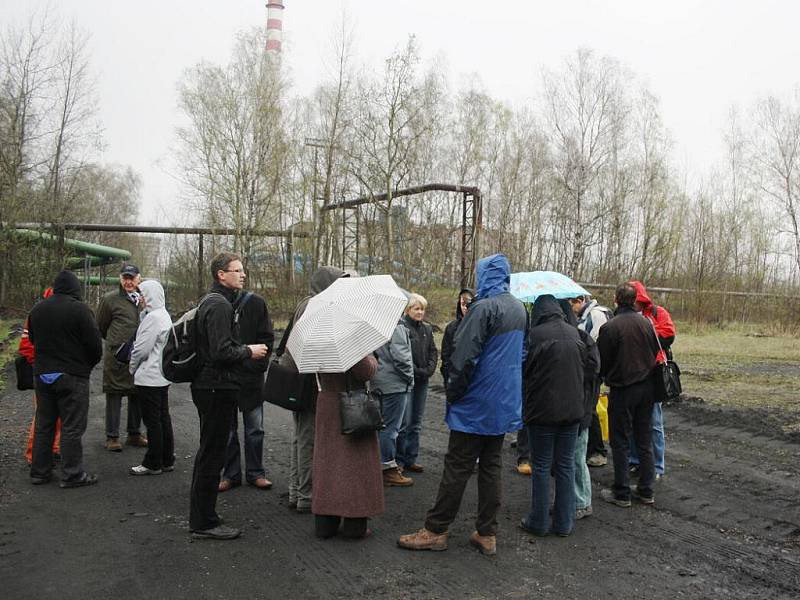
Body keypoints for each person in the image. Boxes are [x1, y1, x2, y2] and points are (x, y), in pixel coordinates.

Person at [398, 254, 527, 556]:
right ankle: (487, 532)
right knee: (491, 467)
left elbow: (463, 358)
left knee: (457, 467)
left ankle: (435, 529)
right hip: (502, 402)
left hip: (476, 402)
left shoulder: (483, 308)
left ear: (485, 276)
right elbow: (522, 354)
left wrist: (454, 392)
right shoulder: (519, 308)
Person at [188, 253, 269, 540]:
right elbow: (221, 351)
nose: (242, 274)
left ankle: (204, 517)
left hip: (209, 385)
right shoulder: (219, 305)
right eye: (236, 270)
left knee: (209, 452)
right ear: (221, 275)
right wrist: (249, 350)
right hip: (216, 386)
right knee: (212, 454)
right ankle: (204, 522)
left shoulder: (210, 301)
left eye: (242, 270)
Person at [280, 266, 350, 513]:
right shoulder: (316, 307)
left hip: (300, 382)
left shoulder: (306, 303)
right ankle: (306, 496)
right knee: (309, 440)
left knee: (301, 438)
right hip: (310, 383)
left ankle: (296, 491)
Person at [519, 295, 587, 537]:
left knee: (541, 466)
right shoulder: (575, 333)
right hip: (572, 412)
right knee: (566, 465)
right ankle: (564, 522)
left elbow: (523, 369)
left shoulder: (534, 336)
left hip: (542, 412)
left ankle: (538, 521)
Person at [28, 270, 103, 488]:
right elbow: (94, 345)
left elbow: (32, 339)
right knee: (72, 426)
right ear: (75, 288)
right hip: (73, 376)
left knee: (44, 424)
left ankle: (39, 472)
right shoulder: (80, 310)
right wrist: (85, 366)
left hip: (42, 375)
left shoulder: (37, 309)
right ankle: (72, 474)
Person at [597, 283, 660, 508]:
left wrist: (605, 376)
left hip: (623, 389)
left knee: (620, 441)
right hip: (647, 388)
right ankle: (646, 489)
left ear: (616, 299)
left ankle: (622, 492)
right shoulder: (647, 324)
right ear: (634, 301)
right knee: (644, 439)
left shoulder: (610, 327)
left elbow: (601, 362)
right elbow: (656, 351)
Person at [312, 353, 383, 539]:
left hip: (326, 401)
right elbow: (364, 371)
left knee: (327, 464)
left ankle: (325, 523)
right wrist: (373, 359)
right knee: (356, 465)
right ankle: (354, 523)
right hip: (352, 404)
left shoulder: (317, 336)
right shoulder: (350, 337)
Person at [219, 290, 274, 492]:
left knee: (255, 429)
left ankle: (256, 472)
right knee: (228, 430)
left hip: (251, 379)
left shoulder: (257, 303)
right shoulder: (217, 303)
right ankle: (230, 474)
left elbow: (267, 341)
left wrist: (250, 366)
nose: (241, 275)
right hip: (226, 379)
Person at [628, 280, 676, 482]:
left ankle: (657, 465)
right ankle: (635, 460)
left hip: (653, 372)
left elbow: (668, 335)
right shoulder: (624, 315)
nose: (635, 305)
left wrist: (644, 335)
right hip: (632, 372)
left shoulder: (658, 313)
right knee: (632, 421)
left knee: (654, 422)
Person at [97, 264, 146, 452]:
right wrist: (116, 343)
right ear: (120, 279)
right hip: (117, 356)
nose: (128, 281)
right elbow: (100, 326)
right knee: (114, 394)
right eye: (125, 277)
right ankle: (112, 437)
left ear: (138, 279)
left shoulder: (144, 299)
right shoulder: (110, 300)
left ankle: (134, 433)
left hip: (139, 354)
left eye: (132, 278)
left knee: (137, 393)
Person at [128, 280, 175, 476]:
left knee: (152, 420)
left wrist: (132, 367)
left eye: (142, 294)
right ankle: (166, 458)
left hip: (149, 376)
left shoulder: (152, 318)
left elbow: (141, 349)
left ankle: (153, 462)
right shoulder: (163, 315)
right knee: (163, 418)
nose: (139, 298)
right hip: (161, 375)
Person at [570, 294, 613, 467]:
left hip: (594, 369)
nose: (571, 309)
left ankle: (598, 450)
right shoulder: (587, 316)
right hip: (591, 367)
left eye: (571, 304)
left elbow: (596, 342)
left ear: (580, 301)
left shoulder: (596, 315)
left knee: (591, 409)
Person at [397, 293, 438, 474]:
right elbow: (402, 355)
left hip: (423, 381)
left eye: (422, 309)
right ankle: (398, 460)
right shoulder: (402, 327)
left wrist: (429, 370)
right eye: (417, 309)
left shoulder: (427, 329)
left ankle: (410, 458)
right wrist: (418, 371)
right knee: (404, 423)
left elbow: (433, 352)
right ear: (408, 310)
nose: (420, 312)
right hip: (408, 380)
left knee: (416, 422)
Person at [373, 317, 415, 486]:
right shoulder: (395, 324)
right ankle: (388, 468)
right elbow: (401, 357)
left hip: (378, 380)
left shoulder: (375, 322)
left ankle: (377, 466)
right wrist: (410, 378)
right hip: (394, 383)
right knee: (391, 429)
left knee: (380, 427)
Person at [21, 287, 61, 464]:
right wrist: (38, 362)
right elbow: (25, 345)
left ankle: (53, 448)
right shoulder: (36, 315)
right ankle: (33, 453)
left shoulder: (64, 315)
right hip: (43, 372)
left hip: (60, 372)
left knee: (59, 415)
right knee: (43, 416)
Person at [439, 287, 474, 390]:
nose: (465, 308)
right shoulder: (452, 327)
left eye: (468, 304)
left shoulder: (481, 326)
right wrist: (448, 377)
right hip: (454, 378)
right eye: (463, 304)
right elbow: (445, 356)